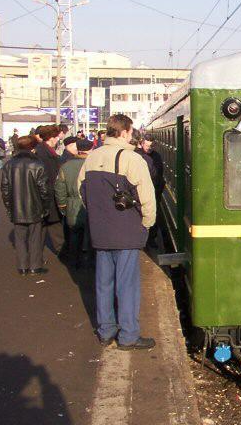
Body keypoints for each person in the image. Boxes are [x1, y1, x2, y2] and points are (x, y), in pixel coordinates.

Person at [78, 114, 156, 350]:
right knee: (127, 285)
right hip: (127, 231)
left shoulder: (92, 157)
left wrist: (99, 214)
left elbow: (81, 190)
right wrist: (147, 223)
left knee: (103, 282)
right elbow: (147, 198)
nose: (132, 136)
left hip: (101, 231)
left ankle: (105, 331)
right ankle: (129, 335)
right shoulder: (132, 159)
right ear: (123, 132)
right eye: (131, 132)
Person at [0, 135, 50, 275]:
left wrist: (9, 207)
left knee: (20, 238)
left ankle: (22, 266)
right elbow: (44, 190)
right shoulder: (38, 164)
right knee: (35, 237)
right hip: (35, 207)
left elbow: (5, 189)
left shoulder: (9, 165)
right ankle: (35, 265)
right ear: (32, 148)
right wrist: (45, 207)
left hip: (17, 207)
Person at [55, 139, 94, 268]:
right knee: (92, 235)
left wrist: (62, 206)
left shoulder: (66, 166)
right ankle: (90, 263)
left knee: (74, 235)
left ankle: (73, 262)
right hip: (90, 204)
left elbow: (59, 188)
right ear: (90, 150)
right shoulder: (93, 165)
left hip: (72, 204)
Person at [35, 125, 64, 254]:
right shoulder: (45, 154)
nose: (58, 139)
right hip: (48, 195)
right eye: (57, 137)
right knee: (51, 225)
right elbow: (50, 177)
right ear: (51, 138)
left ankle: (36, 257)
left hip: (46, 195)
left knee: (46, 226)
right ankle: (61, 252)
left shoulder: (44, 151)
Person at [137, 135, 165, 248]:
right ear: (142, 143)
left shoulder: (156, 156)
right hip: (141, 191)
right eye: (147, 145)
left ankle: (151, 239)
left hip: (155, 190)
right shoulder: (137, 156)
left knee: (154, 214)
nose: (149, 148)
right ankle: (142, 239)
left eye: (151, 146)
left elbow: (159, 173)